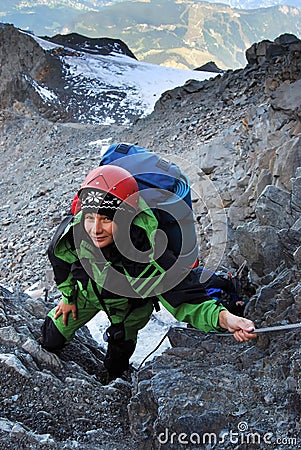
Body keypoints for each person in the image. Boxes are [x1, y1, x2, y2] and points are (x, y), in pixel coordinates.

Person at [40, 165, 256, 380]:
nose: (95, 228)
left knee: (117, 359)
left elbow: (186, 299)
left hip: (130, 308)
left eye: (107, 219)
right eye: (90, 218)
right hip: (86, 294)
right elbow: (59, 257)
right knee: (51, 338)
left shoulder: (150, 252)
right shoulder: (74, 233)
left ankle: (113, 378)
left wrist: (225, 319)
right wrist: (68, 297)